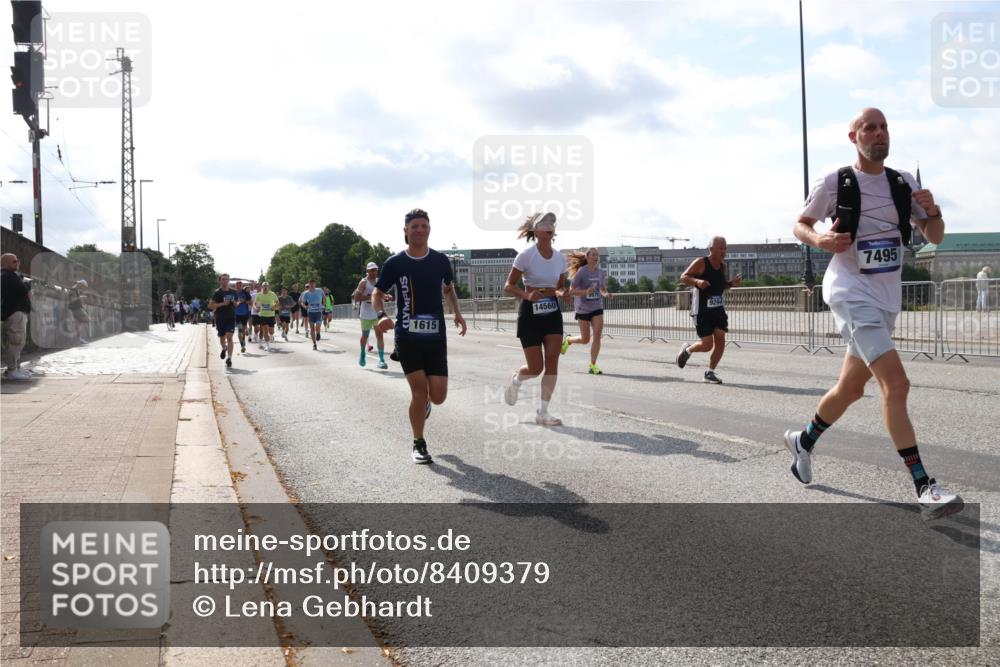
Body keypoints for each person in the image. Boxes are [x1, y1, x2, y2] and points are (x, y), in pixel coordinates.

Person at [785, 107, 962, 520]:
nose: (879, 133)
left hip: (885, 300)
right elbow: (800, 224)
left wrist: (933, 211)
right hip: (849, 293)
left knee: (850, 389)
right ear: (854, 137)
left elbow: (935, 235)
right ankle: (924, 487)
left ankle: (803, 442)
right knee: (896, 384)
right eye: (870, 128)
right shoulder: (836, 181)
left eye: (884, 127)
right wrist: (820, 239)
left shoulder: (903, 182)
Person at [372, 208, 467, 464]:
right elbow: (377, 293)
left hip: (436, 336)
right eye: (414, 226)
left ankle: (426, 403)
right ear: (406, 230)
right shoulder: (395, 263)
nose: (420, 230)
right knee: (418, 391)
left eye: (424, 226)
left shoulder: (440, 260)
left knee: (438, 396)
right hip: (407, 336)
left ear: (429, 229)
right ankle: (419, 443)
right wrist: (381, 315)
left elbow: (448, 289)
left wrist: (457, 313)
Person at [503, 212, 568, 426]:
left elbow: (559, 288)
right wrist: (526, 295)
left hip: (552, 313)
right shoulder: (526, 255)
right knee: (535, 368)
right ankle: (516, 380)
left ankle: (543, 411)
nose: (549, 225)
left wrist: (564, 293)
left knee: (552, 362)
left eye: (552, 223)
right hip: (530, 313)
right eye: (544, 223)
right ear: (535, 230)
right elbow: (508, 286)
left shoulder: (560, 258)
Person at [675, 236, 742, 384]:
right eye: (720, 248)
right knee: (707, 345)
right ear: (711, 249)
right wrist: (697, 281)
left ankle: (709, 372)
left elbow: (721, 286)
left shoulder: (723, 266)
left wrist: (732, 283)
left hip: (718, 309)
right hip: (702, 311)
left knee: (720, 340)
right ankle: (687, 351)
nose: (724, 251)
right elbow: (683, 277)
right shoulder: (701, 262)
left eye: (725, 248)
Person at [561, 247, 610, 374]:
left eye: (597, 255)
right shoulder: (581, 272)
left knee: (597, 336)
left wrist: (606, 294)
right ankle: (568, 340)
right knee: (585, 339)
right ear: (587, 257)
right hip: (583, 308)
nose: (596, 257)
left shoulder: (601, 272)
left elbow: (602, 289)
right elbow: (571, 291)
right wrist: (585, 292)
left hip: (597, 307)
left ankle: (593, 365)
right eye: (593, 255)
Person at [354, 261, 392, 369]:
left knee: (379, 335)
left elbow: (381, 294)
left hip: (376, 312)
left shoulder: (379, 281)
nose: (374, 272)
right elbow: (356, 297)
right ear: (367, 271)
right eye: (371, 270)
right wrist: (370, 297)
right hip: (365, 313)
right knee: (365, 335)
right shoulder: (363, 282)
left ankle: (381, 360)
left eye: (375, 270)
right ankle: (362, 353)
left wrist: (386, 296)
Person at [1, 253, 32, 380]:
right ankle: (12, 370)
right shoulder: (7, 275)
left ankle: (16, 368)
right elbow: (25, 290)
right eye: (14, 261)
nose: (18, 263)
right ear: (5, 263)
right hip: (15, 313)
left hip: (17, 313)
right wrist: (26, 284)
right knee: (15, 341)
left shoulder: (12, 275)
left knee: (18, 342)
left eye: (18, 260)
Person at [209, 273, 239, 368]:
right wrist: (223, 304)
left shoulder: (233, 292)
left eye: (226, 279)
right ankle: (224, 348)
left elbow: (237, 304)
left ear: (228, 280)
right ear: (220, 281)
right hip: (220, 318)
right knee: (222, 338)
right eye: (223, 279)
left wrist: (234, 302)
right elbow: (211, 305)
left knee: (229, 337)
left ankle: (229, 358)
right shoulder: (217, 292)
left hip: (231, 317)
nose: (225, 281)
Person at [253, 282, 278, 352]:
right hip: (263, 315)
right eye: (264, 286)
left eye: (266, 286)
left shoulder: (272, 294)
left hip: (271, 315)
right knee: (265, 331)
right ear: (262, 287)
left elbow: (277, 302)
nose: (265, 287)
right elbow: (255, 303)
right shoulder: (259, 295)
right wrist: (256, 308)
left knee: (271, 331)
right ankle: (268, 346)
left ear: (269, 287)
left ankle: (271, 336)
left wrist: (274, 306)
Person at [300, 279, 325, 350]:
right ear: (309, 285)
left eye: (313, 284)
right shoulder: (306, 293)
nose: (312, 285)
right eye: (310, 284)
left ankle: (318, 333)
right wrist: (305, 306)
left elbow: (324, 297)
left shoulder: (319, 290)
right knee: (312, 328)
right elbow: (302, 302)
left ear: (315, 284)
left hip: (318, 311)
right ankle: (314, 344)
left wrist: (323, 305)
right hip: (310, 312)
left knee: (317, 326)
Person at [68, 279, 90, 343]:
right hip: (76, 308)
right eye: (83, 286)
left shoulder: (76, 289)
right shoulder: (73, 289)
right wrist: (80, 297)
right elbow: (71, 300)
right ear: (80, 284)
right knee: (87, 319)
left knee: (77, 324)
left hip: (75, 308)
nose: (83, 288)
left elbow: (74, 299)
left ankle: (79, 339)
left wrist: (80, 298)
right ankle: (79, 338)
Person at [233, 280, 252, 353]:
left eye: (240, 285)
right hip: (236, 314)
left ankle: (243, 342)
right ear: (235, 286)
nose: (239, 286)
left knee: (243, 331)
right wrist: (235, 303)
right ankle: (242, 346)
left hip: (245, 314)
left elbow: (251, 303)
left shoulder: (246, 293)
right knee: (240, 330)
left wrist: (244, 301)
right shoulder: (233, 293)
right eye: (237, 285)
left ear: (242, 286)